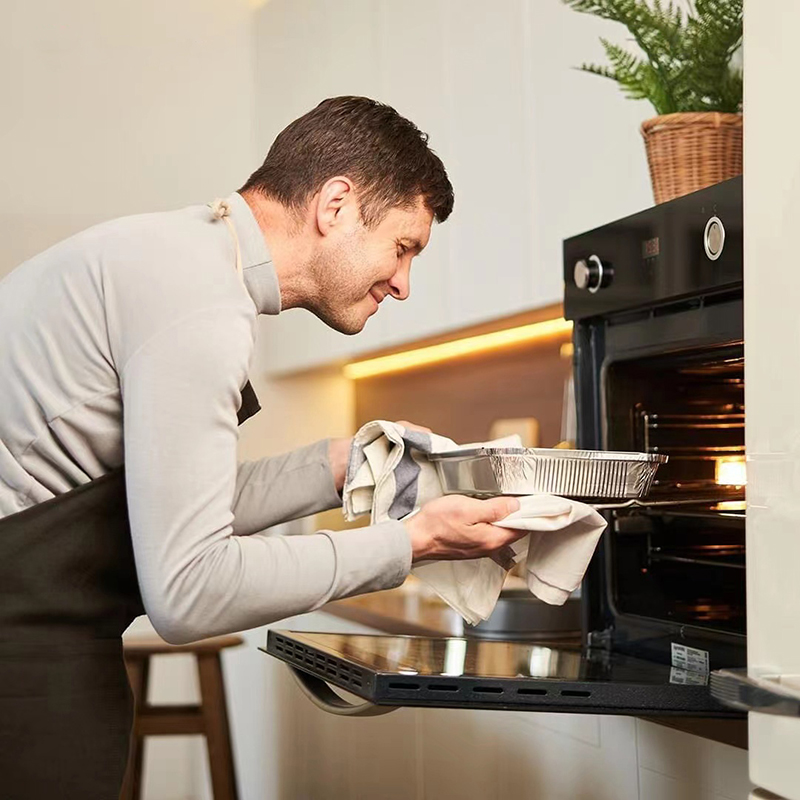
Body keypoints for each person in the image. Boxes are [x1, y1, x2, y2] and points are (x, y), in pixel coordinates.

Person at [0, 96, 524, 798]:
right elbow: (190, 589)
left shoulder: (180, 257)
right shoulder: (199, 304)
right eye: (404, 248)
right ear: (336, 205)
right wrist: (412, 543)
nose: (403, 284)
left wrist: (341, 465)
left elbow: (174, 502)